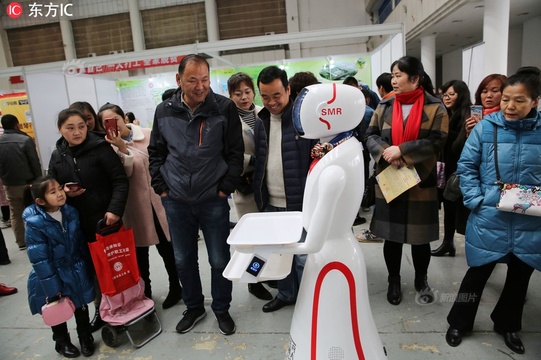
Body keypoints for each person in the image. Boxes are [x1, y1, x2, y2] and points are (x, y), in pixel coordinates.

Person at [445, 67, 541, 355]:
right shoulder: (487, 128)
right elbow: (466, 166)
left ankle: (508, 324)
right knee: (477, 273)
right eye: (506, 99)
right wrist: (476, 200)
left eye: (519, 100)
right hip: (490, 213)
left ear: (535, 101)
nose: (510, 106)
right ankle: (459, 322)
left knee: (520, 275)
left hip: (529, 217)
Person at [148, 54, 244, 336]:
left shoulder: (223, 107)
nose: (200, 86)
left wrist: (225, 187)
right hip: (175, 200)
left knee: (219, 258)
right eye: (193, 80)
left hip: (213, 198)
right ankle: (193, 307)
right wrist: (161, 187)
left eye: (204, 79)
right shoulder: (163, 111)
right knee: (183, 258)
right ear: (178, 80)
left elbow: (235, 153)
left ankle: (222, 308)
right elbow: (156, 152)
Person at [365, 55, 448, 306]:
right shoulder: (385, 106)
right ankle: (393, 280)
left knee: (419, 238)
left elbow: (438, 140)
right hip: (391, 178)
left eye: (398, 75)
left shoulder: (435, 107)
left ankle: (421, 280)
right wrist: (385, 152)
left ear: (415, 78)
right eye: (392, 76)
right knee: (391, 237)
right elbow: (370, 134)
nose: (394, 80)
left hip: (420, 181)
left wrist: (403, 151)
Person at [48, 108, 129, 333]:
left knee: (114, 268)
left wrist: (114, 210)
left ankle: (122, 309)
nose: (77, 132)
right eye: (70, 128)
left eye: (81, 127)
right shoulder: (57, 154)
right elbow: (51, 187)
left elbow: (120, 181)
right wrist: (63, 191)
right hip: (75, 224)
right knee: (90, 272)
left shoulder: (100, 147)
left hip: (105, 221)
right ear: (60, 129)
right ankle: (101, 311)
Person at [97, 103, 182, 309]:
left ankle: (176, 288)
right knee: (139, 256)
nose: (113, 125)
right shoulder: (107, 147)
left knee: (168, 250)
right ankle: (145, 294)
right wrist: (122, 148)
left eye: (115, 119)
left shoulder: (148, 134)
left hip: (159, 202)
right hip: (134, 207)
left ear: (123, 118)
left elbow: (166, 161)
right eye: (106, 123)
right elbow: (124, 175)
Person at [252, 65, 316, 313]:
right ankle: (287, 294)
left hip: (299, 203)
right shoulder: (262, 121)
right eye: (265, 97)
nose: (271, 102)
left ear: (288, 90)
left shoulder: (304, 121)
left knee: (302, 256)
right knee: (279, 255)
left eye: (276, 95)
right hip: (271, 203)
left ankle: (308, 299)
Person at [24, 176, 96, 357]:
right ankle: (62, 342)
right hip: (53, 272)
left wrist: (86, 264)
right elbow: (39, 258)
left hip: (76, 267)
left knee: (81, 305)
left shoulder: (70, 212)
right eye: (53, 192)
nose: (60, 194)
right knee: (57, 307)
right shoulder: (35, 224)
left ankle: (85, 336)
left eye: (59, 189)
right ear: (40, 201)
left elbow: (79, 241)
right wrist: (51, 285)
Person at [226, 72, 273, 301]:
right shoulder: (228, 120)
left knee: (269, 237)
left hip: (267, 184)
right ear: (230, 95)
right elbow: (226, 154)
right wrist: (252, 160)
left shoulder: (262, 114)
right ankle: (253, 281)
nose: (244, 97)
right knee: (252, 239)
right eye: (238, 93)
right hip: (245, 185)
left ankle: (267, 274)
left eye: (247, 92)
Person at [431, 80, 472, 257]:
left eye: (451, 94)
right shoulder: (446, 114)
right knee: (448, 208)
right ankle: (448, 243)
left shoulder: (466, 116)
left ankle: (471, 245)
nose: (446, 98)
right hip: (446, 168)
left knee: (464, 210)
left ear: (461, 95)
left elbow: (457, 147)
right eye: (445, 94)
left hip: (461, 169)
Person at [0, 114, 42, 250]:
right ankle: (36, 238)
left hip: (9, 184)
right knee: (33, 212)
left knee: (15, 214)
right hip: (28, 183)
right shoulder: (25, 140)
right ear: (16, 125)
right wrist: (38, 181)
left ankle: (21, 242)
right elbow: (34, 162)